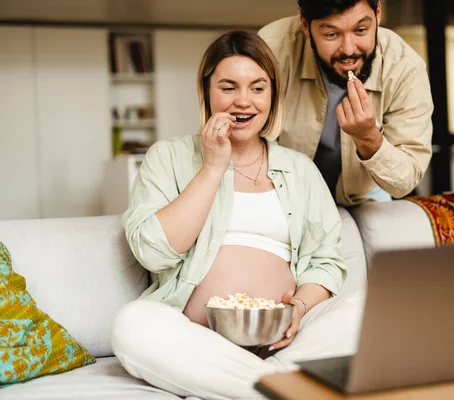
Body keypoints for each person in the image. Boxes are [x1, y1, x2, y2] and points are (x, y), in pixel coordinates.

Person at [110, 31, 364, 400]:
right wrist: (213, 167)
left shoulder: (299, 169)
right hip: (198, 338)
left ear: (272, 95)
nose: (243, 101)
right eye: (228, 87)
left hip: (285, 340)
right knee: (131, 325)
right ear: (206, 92)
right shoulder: (168, 157)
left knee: (365, 308)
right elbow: (153, 252)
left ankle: (254, 384)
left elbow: (325, 261)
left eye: (258, 88)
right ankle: (282, 389)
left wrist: (299, 307)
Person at [258, 0, 434, 206]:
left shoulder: (405, 68)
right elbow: (247, 146)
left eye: (361, 30)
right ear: (305, 25)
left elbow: (404, 182)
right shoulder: (272, 49)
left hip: (366, 196)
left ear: (378, 14)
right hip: (283, 195)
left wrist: (369, 138)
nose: (349, 50)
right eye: (332, 34)